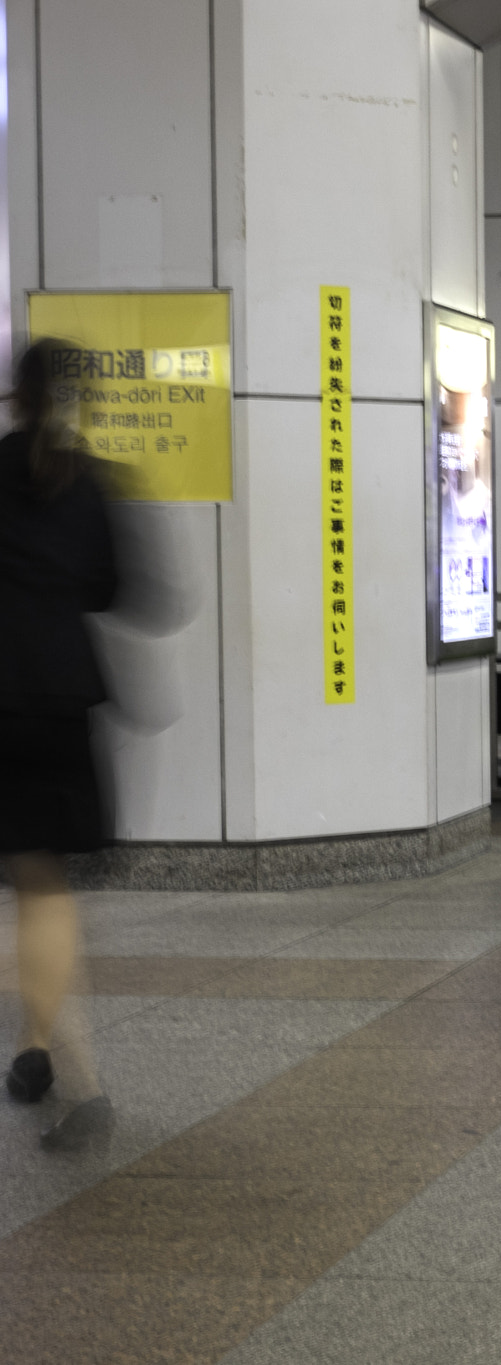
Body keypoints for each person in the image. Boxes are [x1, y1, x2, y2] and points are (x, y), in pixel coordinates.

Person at [2, 339, 119, 1151]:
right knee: (46, 884)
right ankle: (41, 1044)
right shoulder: (89, 479)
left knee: (26, 873)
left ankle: (51, 1052)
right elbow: (118, 587)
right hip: (59, 696)